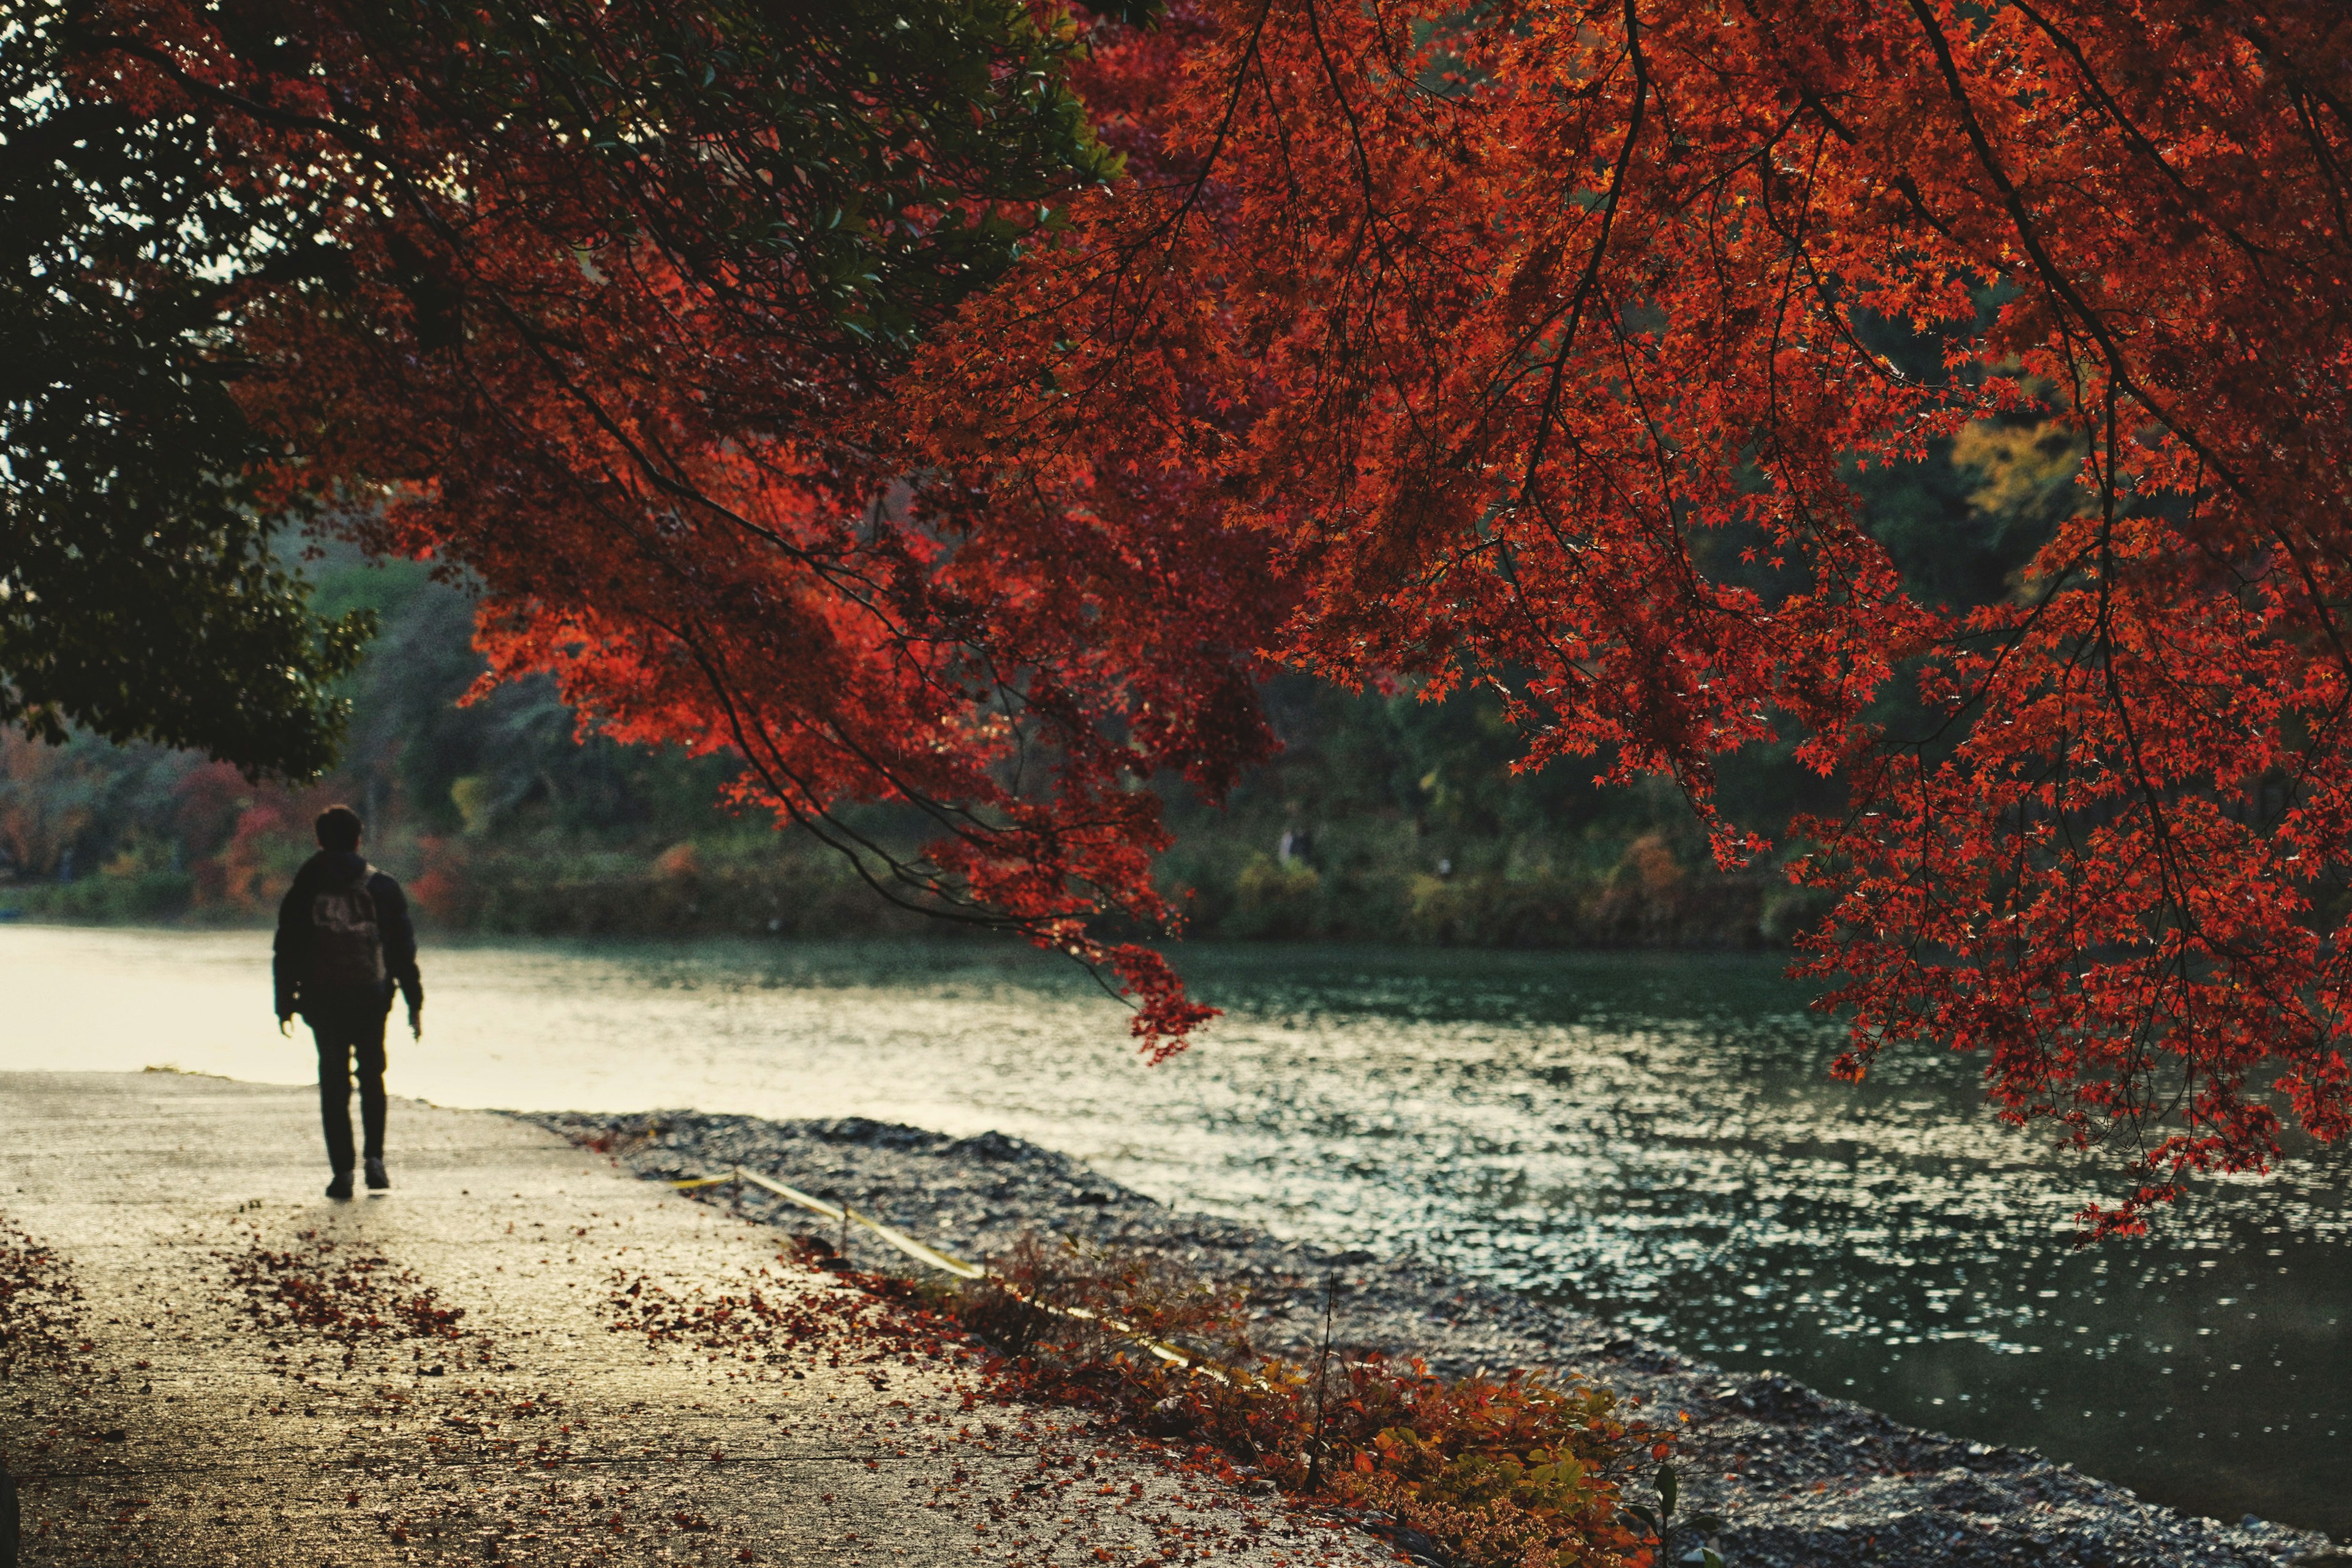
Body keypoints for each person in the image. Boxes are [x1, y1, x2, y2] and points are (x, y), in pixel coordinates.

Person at [273, 805, 423, 1199]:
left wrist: (284, 1001)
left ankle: (342, 1172)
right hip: (371, 995)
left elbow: (286, 948)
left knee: (334, 1081)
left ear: (320, 841)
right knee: (373, 1075)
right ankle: (376, 1161)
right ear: (359, 839)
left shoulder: (305, 886)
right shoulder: (383, 887)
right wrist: (414, 1001)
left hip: (322, 998)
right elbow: (402, 950)